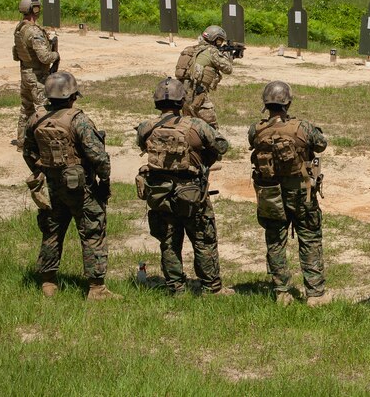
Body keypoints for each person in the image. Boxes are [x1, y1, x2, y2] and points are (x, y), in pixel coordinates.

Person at [23, 71, 117, 300]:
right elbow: (98, 157)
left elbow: (28, 152)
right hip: (81, 188)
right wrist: (104, 181)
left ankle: (48, 282)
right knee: (93, 233)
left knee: (52, 232)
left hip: (53, 188)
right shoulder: (78, 120)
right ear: (72, 96)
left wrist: (43, 171)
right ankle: (96, 288)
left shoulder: (36, 118)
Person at [135, 77, 233, 296]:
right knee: (203, 239)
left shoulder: (146, 128)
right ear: (181, 101)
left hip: (160, 194)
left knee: (169, 241)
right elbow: (222, 145)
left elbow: (142, 144)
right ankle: (212, 287)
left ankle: (176, 287)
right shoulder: (196, 126)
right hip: (192, 194)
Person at [247, 81, 329, 306]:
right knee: (310, 238)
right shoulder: (303, 127)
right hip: (301, 193)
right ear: (288, 102)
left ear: (266, 103)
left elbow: (252, 142)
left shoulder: (256, 129)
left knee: (275, 240)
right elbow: (321, 144)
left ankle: (281, 292)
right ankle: (315, 294)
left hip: (270, 193)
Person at [13, 0, 60, 149]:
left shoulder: (20, 28)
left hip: (25, 74)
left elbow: (16, 55)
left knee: (26, 109)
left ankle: (22, 141)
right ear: (34, 9)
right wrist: (56, 55)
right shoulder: (34, 31)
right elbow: (45, 57)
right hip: (37, 76)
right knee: (43, 110)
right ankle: (44, 144)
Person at [175, 25, 235, 128]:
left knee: (187, 123)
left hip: (181, 93)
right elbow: (228, 69)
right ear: (215, 40)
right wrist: (229, 57)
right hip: (197, 94)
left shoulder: (190, 49)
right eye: (220, 40)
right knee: (212, 126)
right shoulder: (212, 51)